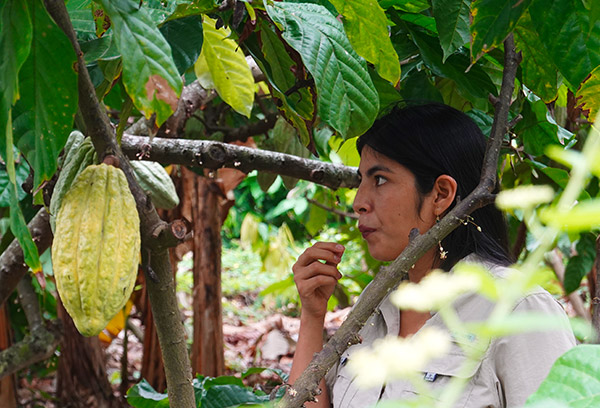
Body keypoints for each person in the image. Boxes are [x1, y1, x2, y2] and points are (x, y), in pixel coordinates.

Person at [289, 103, 576, 407]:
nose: (359, 202)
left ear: (440, 194)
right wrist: (312, 315)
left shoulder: (519, 309)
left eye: (380, 180)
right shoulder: (374, 309)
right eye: (361, 181)